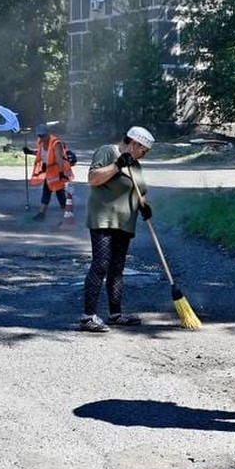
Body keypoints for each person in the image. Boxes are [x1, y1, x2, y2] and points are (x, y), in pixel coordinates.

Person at [79, 126, 155, 331]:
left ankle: (115, 314)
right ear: (134, 143)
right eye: (143, 150)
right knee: (101, 264)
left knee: (117, 268)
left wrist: (144, 206)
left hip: (125, 222)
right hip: (104, 219)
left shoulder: (136, 164)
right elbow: (93, 179)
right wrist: (116, 165)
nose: (144, 154)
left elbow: (140, 190)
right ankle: (88, 316)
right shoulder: (107, 152)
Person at [29, 123, 75, 223]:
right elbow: (42, 153)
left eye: (43, 135)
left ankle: (67, 216)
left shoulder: (55, 143)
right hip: (50, 172)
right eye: (39, 135)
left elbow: (59, 159)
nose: (41, 137)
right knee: (47, 191)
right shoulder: (41, 142)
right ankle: (42, 213)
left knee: (59, 193)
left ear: (48, 133)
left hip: (58, 171)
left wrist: (61, 173)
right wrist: (30, 152)